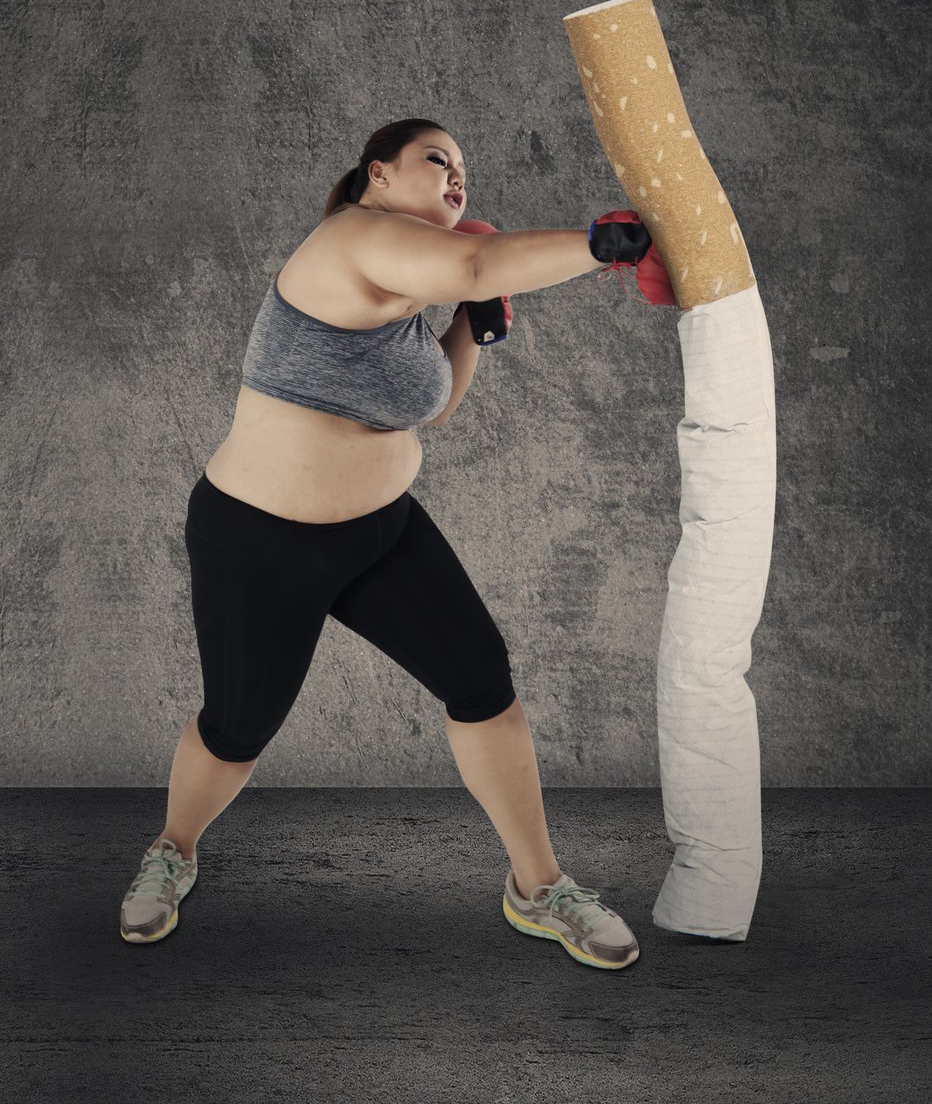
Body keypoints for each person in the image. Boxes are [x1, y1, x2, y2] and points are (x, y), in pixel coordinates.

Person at [119, 118, 639, 970]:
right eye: (438, 160)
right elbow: (476, 262)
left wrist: (473, 326)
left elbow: (430, 404)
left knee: (483, 685)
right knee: (237, 727)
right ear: (380, 175)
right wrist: (602, 244)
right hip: (260, 540)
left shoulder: (402, 296)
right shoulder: (350, 240)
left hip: (383, 531)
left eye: (466, 169)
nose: (458, 177)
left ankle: (538, 887)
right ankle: (174, 848)